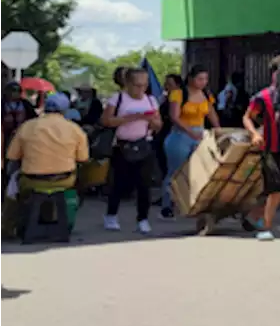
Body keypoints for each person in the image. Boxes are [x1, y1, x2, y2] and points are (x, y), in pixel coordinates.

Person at [100, 68, 162, 233]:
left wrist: (152, 120)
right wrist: (132, 117)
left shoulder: (150, 100)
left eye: (144, 85)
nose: (140, 89)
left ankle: (142, 218)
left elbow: (159, 124)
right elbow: (106, 121)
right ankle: (111, 215)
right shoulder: (118, 99)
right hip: (122, 145)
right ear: (127, 84)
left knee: (144, 185)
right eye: (136, 85)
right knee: (119, 183)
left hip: (144, 143)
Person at [243, 56, 280, 242]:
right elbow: (247, 117)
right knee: (276, 188)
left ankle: (253, 215)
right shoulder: (263, 97)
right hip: (269, 147)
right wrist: (254, 134)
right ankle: (265, 226)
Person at [5, 93, 89, 206]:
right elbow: (83, 158)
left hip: (31, 181)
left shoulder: (27, 126)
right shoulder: (75, 129)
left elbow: (12, 156)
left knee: (11, 193)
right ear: (65, 110)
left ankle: (9, 222)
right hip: (64, 180)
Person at [161, 66, 220, 219]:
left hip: (200, 133)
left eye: (205, 79)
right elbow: (174, 116)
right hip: (181, 135)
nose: (203, 82)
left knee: (200, 171)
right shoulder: (179, 93)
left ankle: (193, 204)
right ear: (191, 78)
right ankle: (167, 205)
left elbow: (211, 113)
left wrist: (218, 129)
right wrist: (190, 131)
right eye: (200, 79)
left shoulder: (206, 94)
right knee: (176, 170)